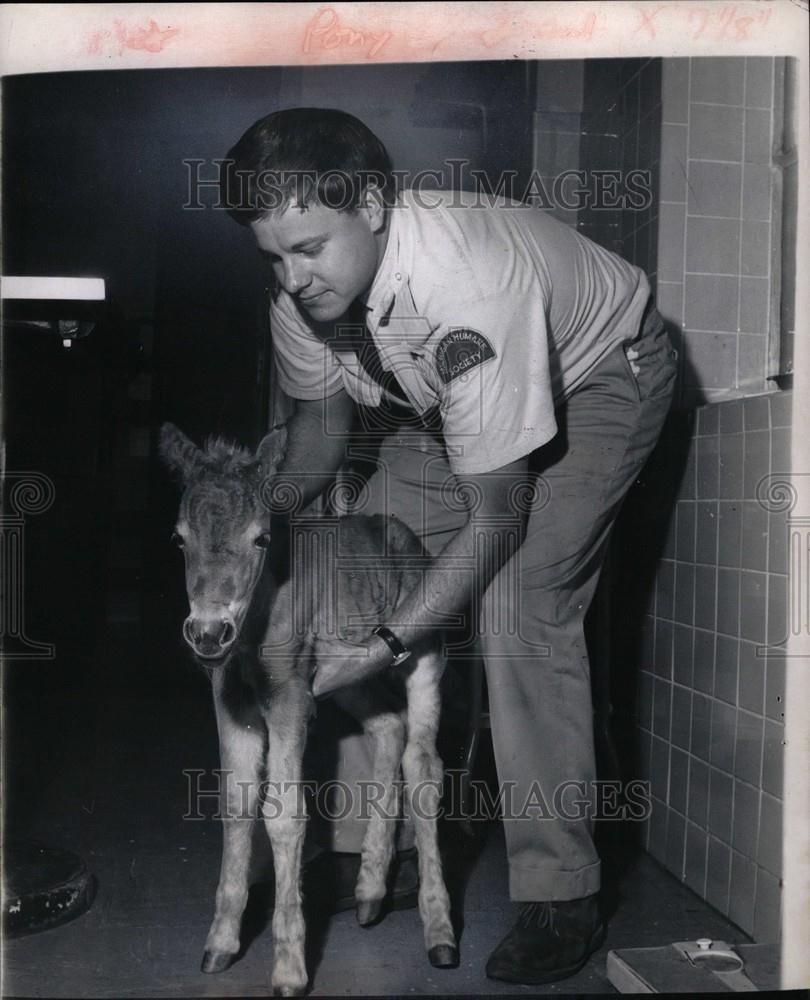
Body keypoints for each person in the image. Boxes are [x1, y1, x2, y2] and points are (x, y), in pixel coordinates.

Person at [221, 107, 677, 985]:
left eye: (310, 247)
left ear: (374, 207)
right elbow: (321, 427)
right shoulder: (302, 300)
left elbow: (499, 513)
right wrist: (260, 525)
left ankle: (562, 891)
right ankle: (371, 851)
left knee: (518, 601)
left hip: (598, 377)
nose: (292, 276)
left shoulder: (467, 280)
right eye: (273, 256)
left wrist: (385, 647)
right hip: (451, 408)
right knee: (346, 569)